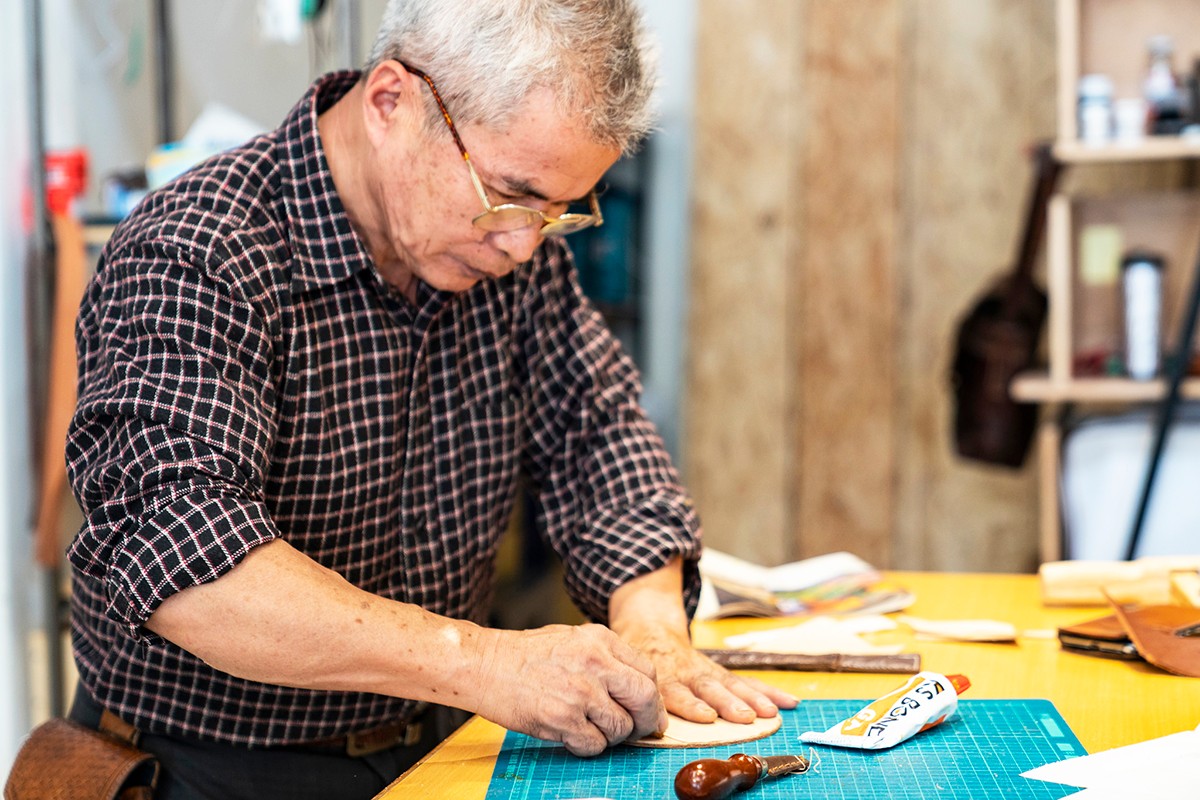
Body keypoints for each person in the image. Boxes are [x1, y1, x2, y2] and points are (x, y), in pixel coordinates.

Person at [63, 1, 797, 797]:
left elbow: (604, 447)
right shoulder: (197, 252)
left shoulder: (508, 250)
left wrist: (653, 632)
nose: (522, 245)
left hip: (437, 747)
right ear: (390, 103)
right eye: (510, 194)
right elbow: (188, 567)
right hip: (209, 770)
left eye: (559, 213)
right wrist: (483, 662)